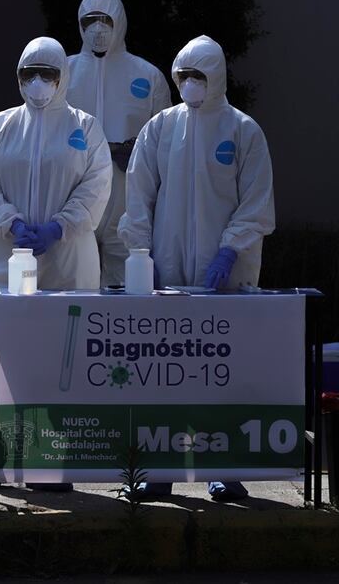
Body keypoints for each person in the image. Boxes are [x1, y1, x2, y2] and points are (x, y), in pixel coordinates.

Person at [117, 35, 276, 502]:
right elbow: (139, 196)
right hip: (168, 273)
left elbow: (257, 202)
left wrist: (230, 250)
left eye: (199, 76)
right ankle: (159, 470)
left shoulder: (243, 130)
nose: (189, 84)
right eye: (182, 75)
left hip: (224, 277)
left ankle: (223, 468)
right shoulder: (160, 128)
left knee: (224, 371)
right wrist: (143, 257)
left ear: (218, 77)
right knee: (165, 372)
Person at [0, 36, 112, 492]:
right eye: (28, 73)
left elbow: (96, 186)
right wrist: (10, 224)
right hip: (8, 257)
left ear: (62, 78)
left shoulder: (85, 128)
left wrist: (60, 226)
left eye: (47, 74)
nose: (37, 83)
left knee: (63, 354)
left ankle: (53, 462)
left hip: (67, 259)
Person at [66, 0, 172, 288]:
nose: (97, 29)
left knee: (126, 283)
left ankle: (121, 335)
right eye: (89, 21)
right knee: (75, 283)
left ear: (120, 22)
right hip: (76, 191)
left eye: (105, 20)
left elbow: (162, 143)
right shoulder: (63, 71)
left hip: (128, 195)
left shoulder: (148, 76)